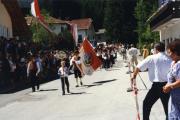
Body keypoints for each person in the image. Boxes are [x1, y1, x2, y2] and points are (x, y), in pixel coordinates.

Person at [131, 42, 172, 120]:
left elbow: (138, 67)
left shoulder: (151, 57)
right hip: (167, 86)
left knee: (146, 104)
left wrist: (134, 76)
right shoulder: (169, 58)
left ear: (155, 49)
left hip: (156, 87)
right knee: (167, 109)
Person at [163, 40, 180, 120]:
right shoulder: (173, 63)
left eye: (170, 52)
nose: (168, 55)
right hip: (174, 97)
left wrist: (170, 86)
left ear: (176, 52)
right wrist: (167, 85)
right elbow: (171, 77)